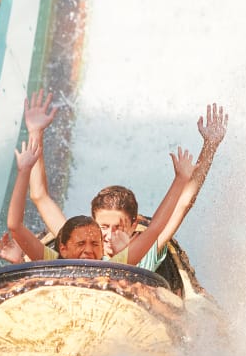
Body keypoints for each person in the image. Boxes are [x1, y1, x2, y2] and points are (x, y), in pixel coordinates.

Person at [21, 89, 227, 269]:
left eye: (118, 227)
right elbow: (39, 196)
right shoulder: (81, 243)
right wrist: (35, 132)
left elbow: (184, 203)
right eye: (103, 227)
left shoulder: (145, 250)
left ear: (133, 226)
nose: (109, 236)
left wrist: (210, 145)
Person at [6, 138, 196, 264]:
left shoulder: (116, 263)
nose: (88, 250)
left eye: (95, 245)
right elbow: (16, 224)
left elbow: (155, 228)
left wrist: (180, 180)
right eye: (81, 244)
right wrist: (24, 171)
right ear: (63, 248)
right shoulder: (59, 260)